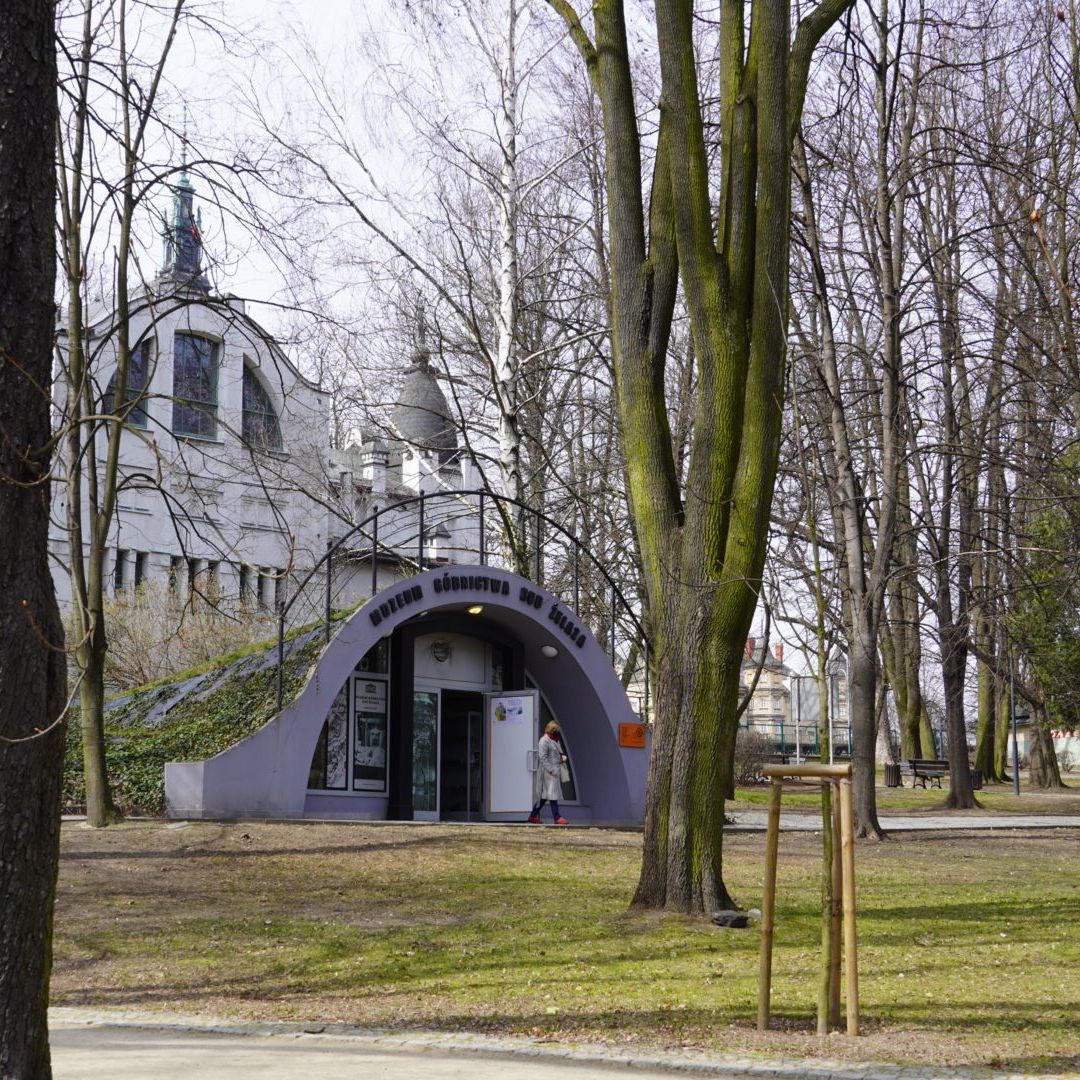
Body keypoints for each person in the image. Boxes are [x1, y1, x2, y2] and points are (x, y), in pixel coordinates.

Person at [528, 720, 569, 825]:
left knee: (544, 796)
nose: (558, 732)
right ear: (551, 729)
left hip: (554, 771)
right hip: (547, 772)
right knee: (552, 795)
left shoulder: (555, 740)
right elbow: (543, 758)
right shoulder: (544, 740)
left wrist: (561, 758)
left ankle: (533, 815)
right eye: (556, 730)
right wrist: (551, 770)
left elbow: (555, 754)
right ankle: (557, 817)